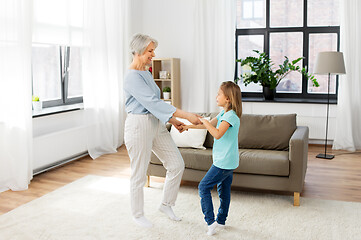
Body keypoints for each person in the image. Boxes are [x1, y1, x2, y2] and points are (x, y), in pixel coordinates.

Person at [123, 33, 202, 228]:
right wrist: (186, 115)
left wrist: (173, 120)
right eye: (150, 50)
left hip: (156, 123)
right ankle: (138, 214)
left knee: (176, 164)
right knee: (139, 173)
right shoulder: (132, 77)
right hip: (138, 125)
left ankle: (166, 204)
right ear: (139, 50)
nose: (153, 54)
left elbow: (155, 105)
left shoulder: (147, 73)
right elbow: (152, 102)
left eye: (153, 50)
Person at [184, 81, 242, 235]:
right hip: (227, 161)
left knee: (203, 187)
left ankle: (211, 222)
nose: (216, 96)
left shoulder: (231, 116)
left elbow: (216, 133)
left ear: (228, 98)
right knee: (223, 192)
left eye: (219, 94)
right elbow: (208, 125)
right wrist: (187, 126)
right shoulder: (224, 113)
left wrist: (205, 121)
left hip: (224, 162)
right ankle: (221, 221)